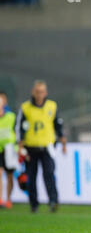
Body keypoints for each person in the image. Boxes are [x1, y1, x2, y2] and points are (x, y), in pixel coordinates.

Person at [17, 80, 67, 213]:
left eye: (42, 92)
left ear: (46, 93)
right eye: (37, 92)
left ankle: (53, 201)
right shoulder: (25, 107)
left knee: (49, 174)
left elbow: (58, 124)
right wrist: (20, 143)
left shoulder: (52, 106)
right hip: (30, 147)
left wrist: (62, 140)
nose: (40, 94)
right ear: (33, 92)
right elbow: (19, 127)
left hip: (47, 147)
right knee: (31, 177)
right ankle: (34, 204)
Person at [0, 94, 16, 209]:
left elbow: (16, 132)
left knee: (10, 175)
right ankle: (0, 199)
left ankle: (9, 199)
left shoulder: (11, 117)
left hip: (9, 149)